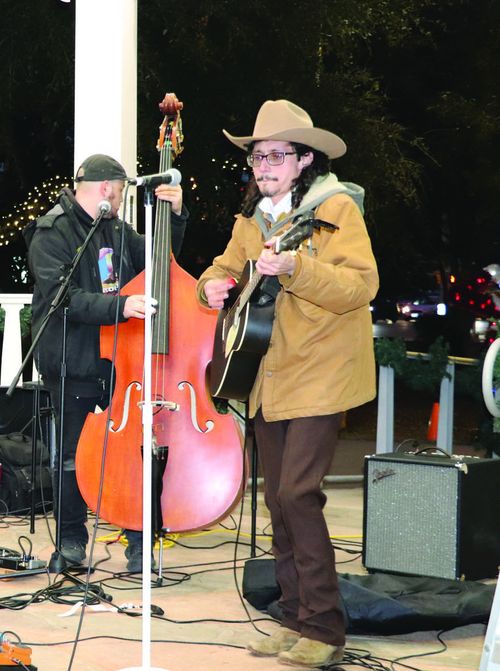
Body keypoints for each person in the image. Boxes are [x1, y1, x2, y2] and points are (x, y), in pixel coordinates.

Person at [198, 100, 377, 668]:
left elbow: (360, 285)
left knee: (299, 493)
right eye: (256, 156)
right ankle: (294, 616)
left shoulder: (336, 208)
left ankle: (324, 629)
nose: (263, 165)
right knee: (277, 499)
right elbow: (222, 266)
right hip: (265, 374)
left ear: (304, 159)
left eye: (276, 155)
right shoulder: (253, 219)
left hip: (321, 371)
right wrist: (212, 287)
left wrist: (296, 269)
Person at [24, 154, 186, 571]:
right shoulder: (52, 231)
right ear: (106, 188)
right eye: (120, 192)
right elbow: (64, 299)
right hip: (71, 359)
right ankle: (72, 540)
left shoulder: (116, 227)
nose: (120, 200)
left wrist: (177, 217)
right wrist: (120, 306)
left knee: (134, 450)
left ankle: (139, 542)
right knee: (72, 455)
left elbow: (159, 263)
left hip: (118, 362)